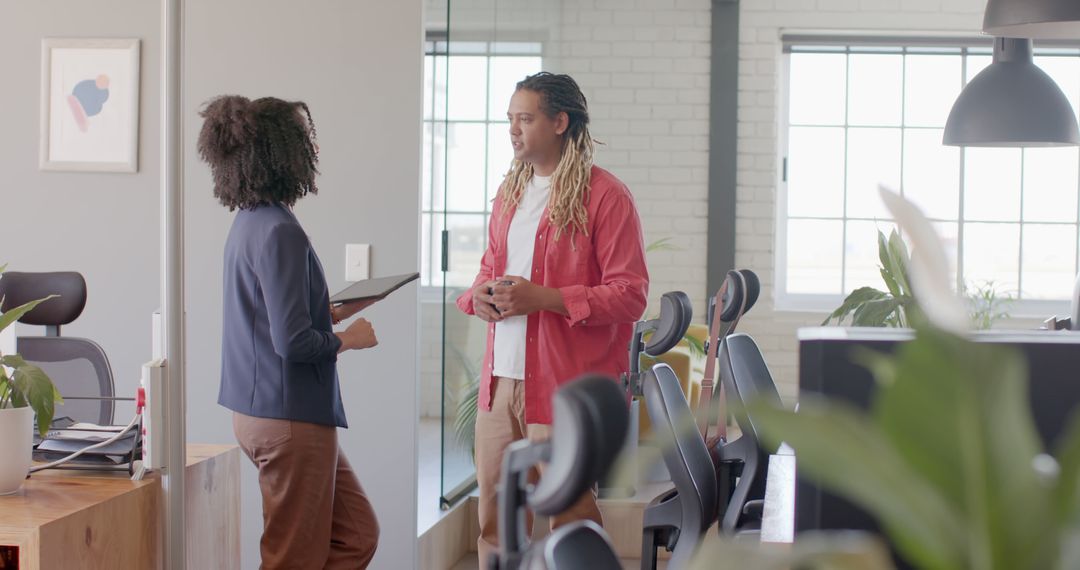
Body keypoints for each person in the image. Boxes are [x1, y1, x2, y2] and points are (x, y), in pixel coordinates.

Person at [456, 72, 649, 564]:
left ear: (560, 122)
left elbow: (630, 296)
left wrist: (546, 298)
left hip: (565, 388)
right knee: (496, 523)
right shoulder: (509, 194)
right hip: (500, 385)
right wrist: (476, 296)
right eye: (510, 119)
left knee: (572, 515)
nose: (513, 130)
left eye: (525, 118)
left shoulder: (607, 196)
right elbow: (488, 269)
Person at [198, 95, 380, 569]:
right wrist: (350, 338)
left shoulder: (250, 223)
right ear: (286, 154)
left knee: (357, 535)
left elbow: (268, 316)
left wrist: (331, 313)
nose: (311, 154)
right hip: (289, 418)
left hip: (265, 412)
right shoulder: (280, 230)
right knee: (291, 559)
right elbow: (293, 343)